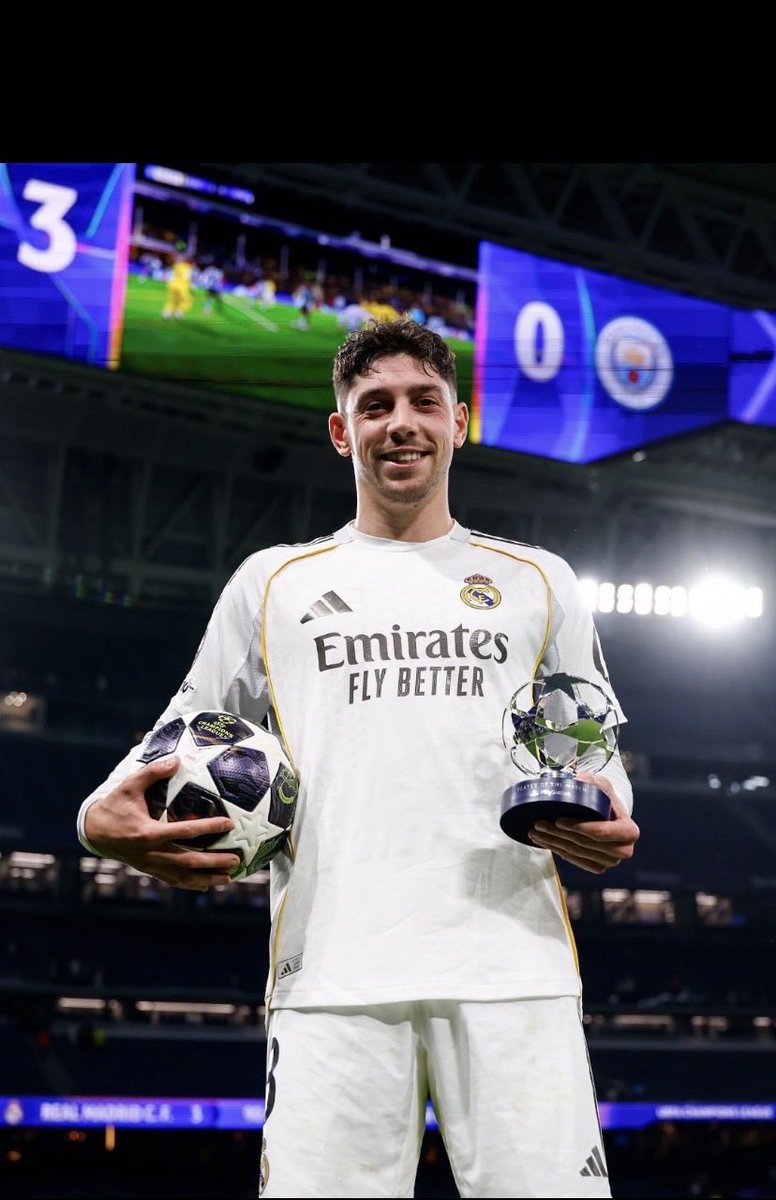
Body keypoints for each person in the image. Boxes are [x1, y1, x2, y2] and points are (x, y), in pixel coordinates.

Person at [77, 318, 640, 1199]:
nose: (401, 423)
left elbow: (594, 750)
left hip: (513, 971)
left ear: (460, 421)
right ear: (343, 432)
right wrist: (94, 820)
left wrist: (607, 808)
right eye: (375, 406)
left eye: (424, 402)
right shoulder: (272, 582)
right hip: (331, 974)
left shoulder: (540, 580)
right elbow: (180, 737)